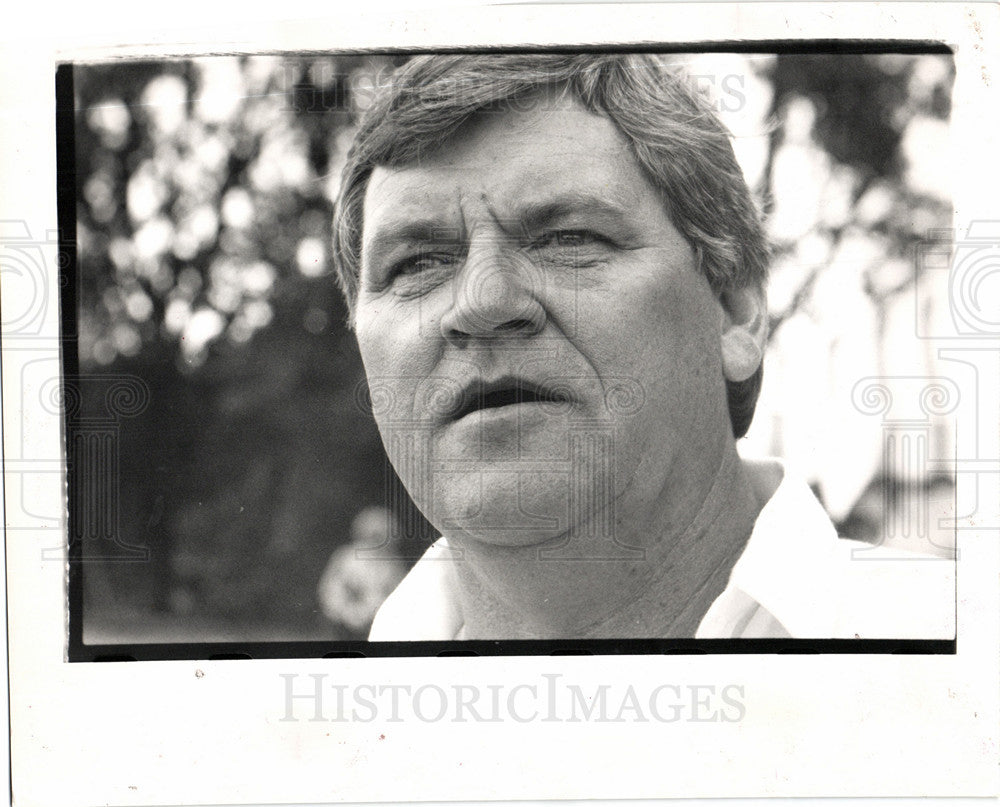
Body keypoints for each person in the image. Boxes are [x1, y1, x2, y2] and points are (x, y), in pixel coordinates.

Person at [331, 54, 954, 640]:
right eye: (417, 264)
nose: (482, 304)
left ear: (736, 311)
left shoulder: (966, 659)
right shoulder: (309, 735)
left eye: (568, 237)